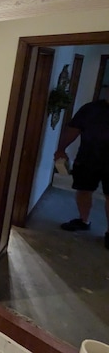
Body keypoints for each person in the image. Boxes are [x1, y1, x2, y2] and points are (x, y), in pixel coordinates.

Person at [54, 98, 109, 250]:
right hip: (87, 159)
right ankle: (83, 221)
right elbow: (73, 129)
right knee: (84, 190)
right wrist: (61, 149)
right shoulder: (90, 109)